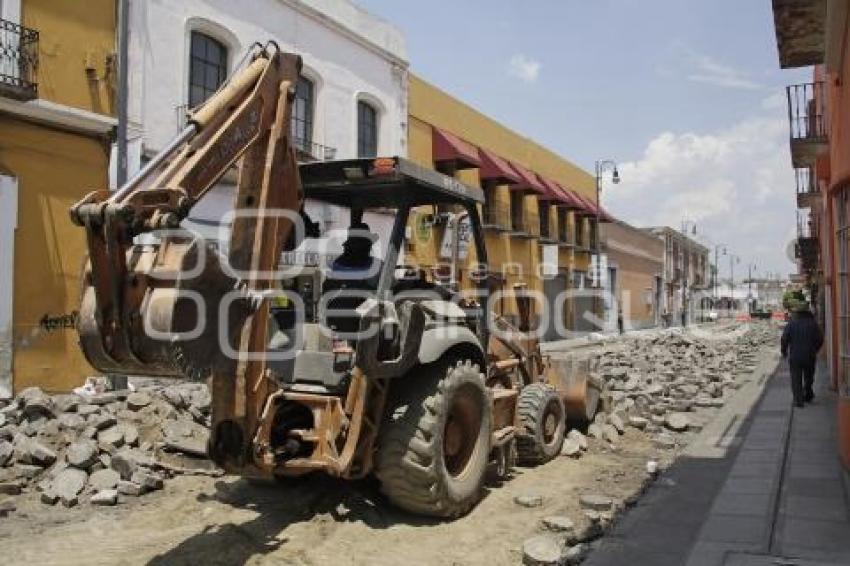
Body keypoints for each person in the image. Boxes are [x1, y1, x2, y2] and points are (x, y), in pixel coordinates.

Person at [780, 302, 823, 408]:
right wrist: (815, 349)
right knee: (809, 377)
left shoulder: (791, 324)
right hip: (810, 355)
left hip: (795, 356)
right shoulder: (813, 323)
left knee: (796, 378)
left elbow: (784, 339)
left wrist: (784, 351)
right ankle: (808, 394)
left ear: (796, 312)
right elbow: (820, 339)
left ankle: (798, 401)